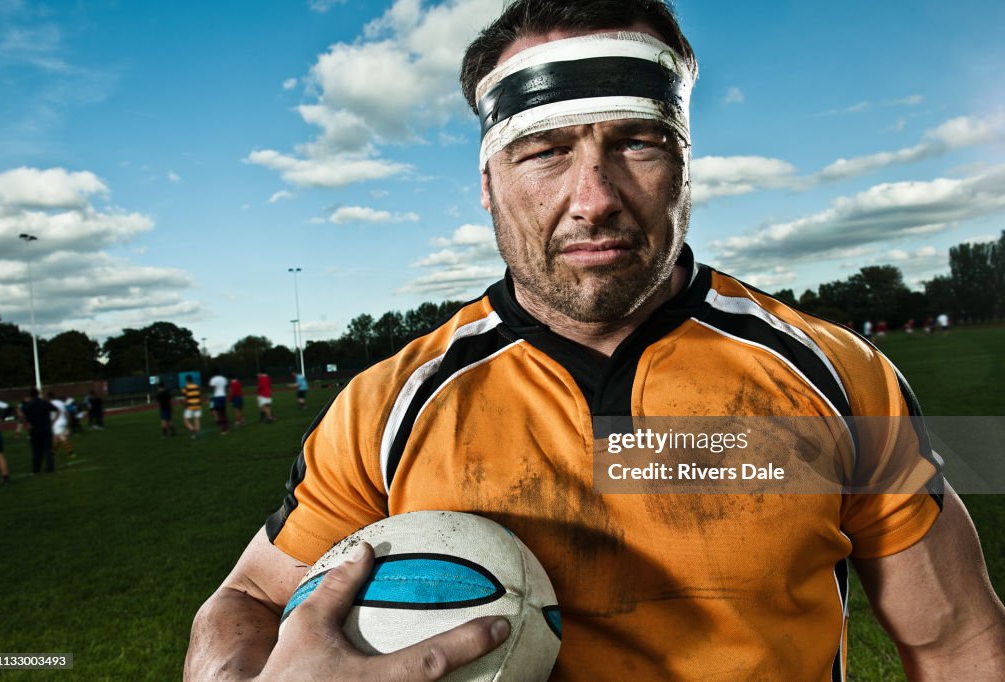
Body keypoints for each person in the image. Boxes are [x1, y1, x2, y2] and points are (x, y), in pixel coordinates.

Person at [186, 2, 1005, 679]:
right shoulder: (385, 409)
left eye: (637, 143)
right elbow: (250, 602)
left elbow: (959, 640)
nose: (595, 197)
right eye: (544, 152)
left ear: (686, 162)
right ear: (486, 182)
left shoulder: (836, 377)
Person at [20, 388, 57, 474]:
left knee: (36, 451)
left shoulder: (29, 405)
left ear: (30, 395)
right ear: (38, 393)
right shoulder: (45, 403)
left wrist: (27, 423)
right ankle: (50, 468)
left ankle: (36, 470)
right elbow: (56, 410)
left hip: (34, 430)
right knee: (48, 449)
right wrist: (53, 421)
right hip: (46, 428)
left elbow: (22, 414)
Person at [47, 391, 75, 460]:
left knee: (61, 437)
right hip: (64, 420)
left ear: (48, 397)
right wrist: (68, 422)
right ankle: (52, 453)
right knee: (56, 439)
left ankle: (71, 452)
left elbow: (52, 414)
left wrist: (51, 422)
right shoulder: (61, 402)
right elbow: (67, 412)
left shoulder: (50, 403)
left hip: (56, 422)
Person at [208, 368, 230, 435]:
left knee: (219, 412)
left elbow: (211, 387)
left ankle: (224, 429)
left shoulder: (213, 379)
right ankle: (225, 426)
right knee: (223, 411)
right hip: (223, 396)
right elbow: (226, 387)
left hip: (217, 396)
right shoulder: (223, 378)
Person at [182, 375, 203, 439]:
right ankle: (197, 433)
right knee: (196, 420)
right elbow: (199, 396)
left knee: (186, 421)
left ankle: (193, 431)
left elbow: (185, 399)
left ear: (186, 380)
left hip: (190, 406)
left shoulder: (185, 388)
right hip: (198, 405)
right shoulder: (196, 386)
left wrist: (184, 406)